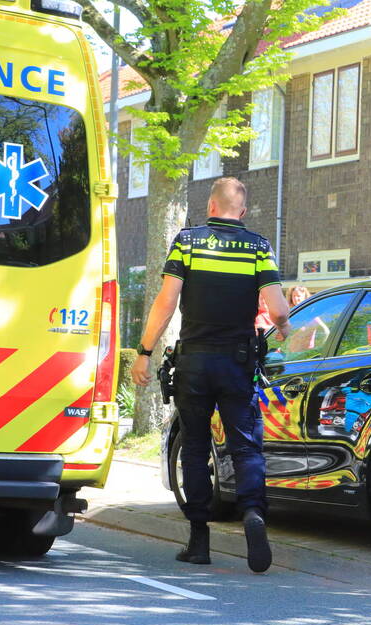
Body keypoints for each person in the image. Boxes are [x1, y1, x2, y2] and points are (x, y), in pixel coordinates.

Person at [131, 177, 291, 573]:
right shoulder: (258, 247)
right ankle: (253, 514)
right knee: (246, 447)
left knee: (197, 448)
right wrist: (285, 329)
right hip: (238, 364)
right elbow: (277, 307)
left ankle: (199, 540)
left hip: (195, 364)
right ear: (243, 211)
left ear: (210, 207)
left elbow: (167, 302)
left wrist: (144, 352)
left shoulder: (188, 242)